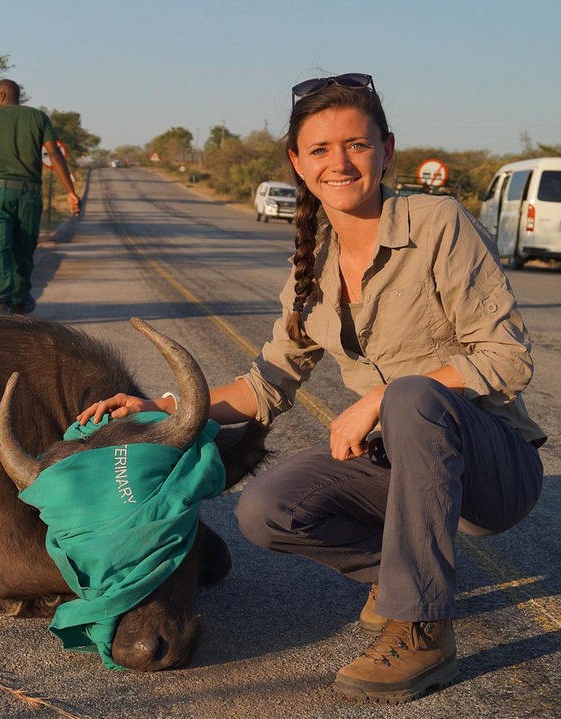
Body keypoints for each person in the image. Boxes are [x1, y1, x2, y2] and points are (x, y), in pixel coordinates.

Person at [77, 73, 546, 703]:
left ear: (387, 149)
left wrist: (380, 398)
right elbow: (266, 384)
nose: (339, 162)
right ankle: (399, 577)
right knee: (265, 507)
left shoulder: (436, 222)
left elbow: (507, 355)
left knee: (410, 396)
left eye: (357, 144)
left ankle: (423, 629)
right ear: (297, 163)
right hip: (406, 471)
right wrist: (159, 408)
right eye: (319, 150)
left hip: (491, 471)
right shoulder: (313, 262)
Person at [0, 79, 81, 315]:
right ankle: (19, 300)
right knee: (24, 248)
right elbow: (54, 153)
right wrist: (70, 191)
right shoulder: (39, 117)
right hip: (29, 194)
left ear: (3, 95)